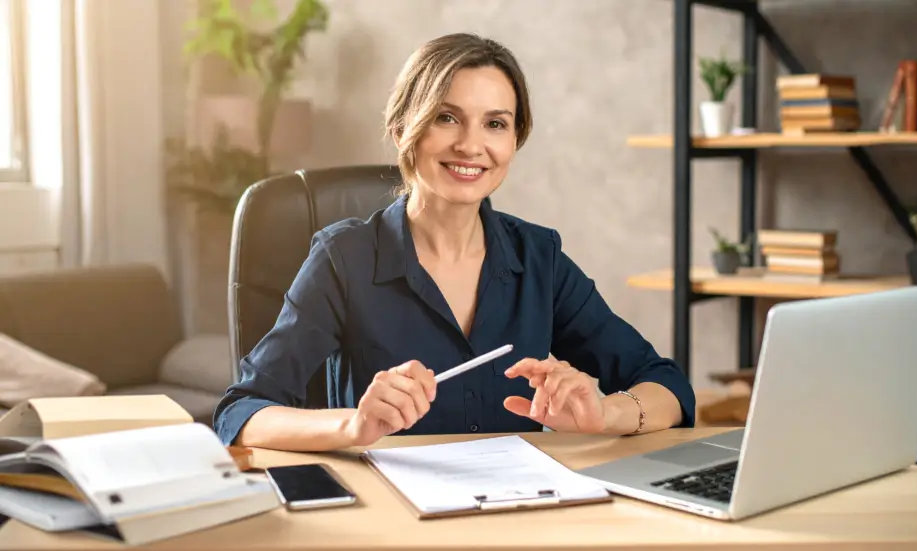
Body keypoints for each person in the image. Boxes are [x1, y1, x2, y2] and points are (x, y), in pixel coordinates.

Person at [212, 32, 695, 452]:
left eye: (495, 124)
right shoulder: (344, 260)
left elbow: (667, 386)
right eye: (446, 118)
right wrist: (353, 424)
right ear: (402, 130)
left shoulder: (538, 258)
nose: (470, 145)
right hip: (389, 513)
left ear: (514, 141)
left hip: (518, 505)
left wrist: (605, 414)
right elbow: (241, 413)